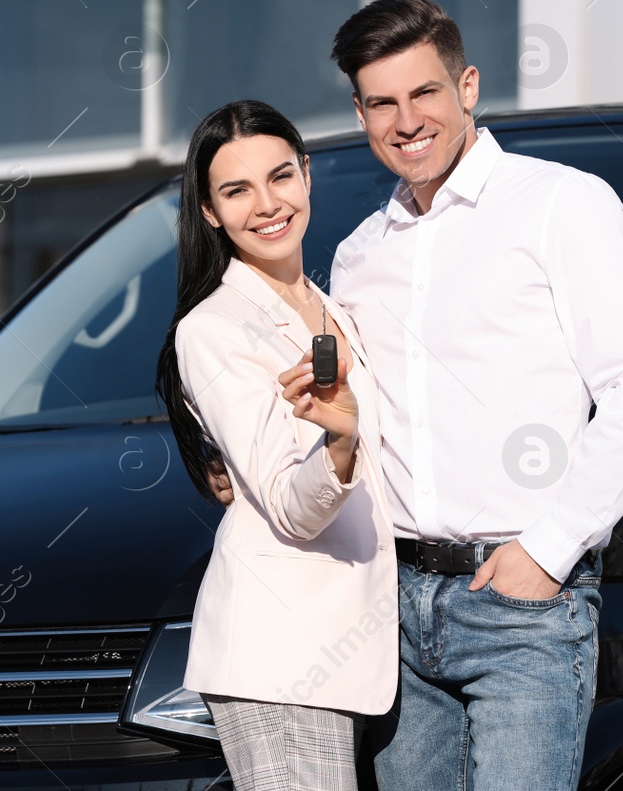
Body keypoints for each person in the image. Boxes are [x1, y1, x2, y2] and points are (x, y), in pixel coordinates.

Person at [214, 0, 623, 790]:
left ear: (467, 87)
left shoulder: (560, 205)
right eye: (381, 102)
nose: (406, 120)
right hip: (393, 609)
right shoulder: (360, 254)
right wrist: (242, 458)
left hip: (524, 607)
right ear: (361, 113)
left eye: (424, 93)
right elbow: (349, 410)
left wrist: (549, 548)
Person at [156, 99, 398, 791]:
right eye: (236, 190)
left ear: (307, 175)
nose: (267, 204)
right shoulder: (213, 327)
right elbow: (293, 506)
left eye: (280, 176)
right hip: (283, 659)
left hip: (352, 648)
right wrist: (340, 440)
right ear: (209, 210)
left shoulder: (336, 307)